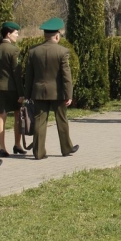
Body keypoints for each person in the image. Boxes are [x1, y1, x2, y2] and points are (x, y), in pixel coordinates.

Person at [24, 17, 78, 158]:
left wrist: (27, 94)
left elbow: (29, 75)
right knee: (62, 120)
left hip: (39, 91)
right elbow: (66, 76)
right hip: (58, 92)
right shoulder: (62, 52)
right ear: (56, 36)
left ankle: (38, 152)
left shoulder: (33, 52)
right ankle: (66, 148)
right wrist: (69, 94)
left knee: (40, 121)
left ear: (44, 35)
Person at [0, 21, 25, 157]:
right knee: (17, 115)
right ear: (8, 34)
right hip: (13, 88)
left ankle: (2, 148)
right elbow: (17, 74)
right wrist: (21, 93)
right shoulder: (14, 50)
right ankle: (17, 144)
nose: (17, 35)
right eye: (16, 33)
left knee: (1, 116)